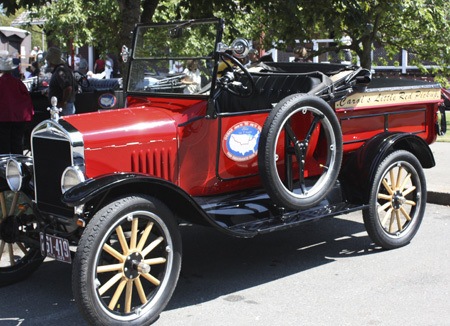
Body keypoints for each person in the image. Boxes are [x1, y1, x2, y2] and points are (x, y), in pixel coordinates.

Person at [0, 51, 34, 154]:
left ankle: (5, 168)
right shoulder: (18, 82)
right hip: (19, 118)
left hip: (3, 118)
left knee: (4, 145)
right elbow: (27, 99)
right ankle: (19, 166)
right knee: (17, 144)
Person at [45, 47, 78, 116]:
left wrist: (63, 102)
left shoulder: (60, 71)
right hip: (65, 106)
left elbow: (68, 87)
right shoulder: (62, 69)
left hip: (64, 108)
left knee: (63, 125)